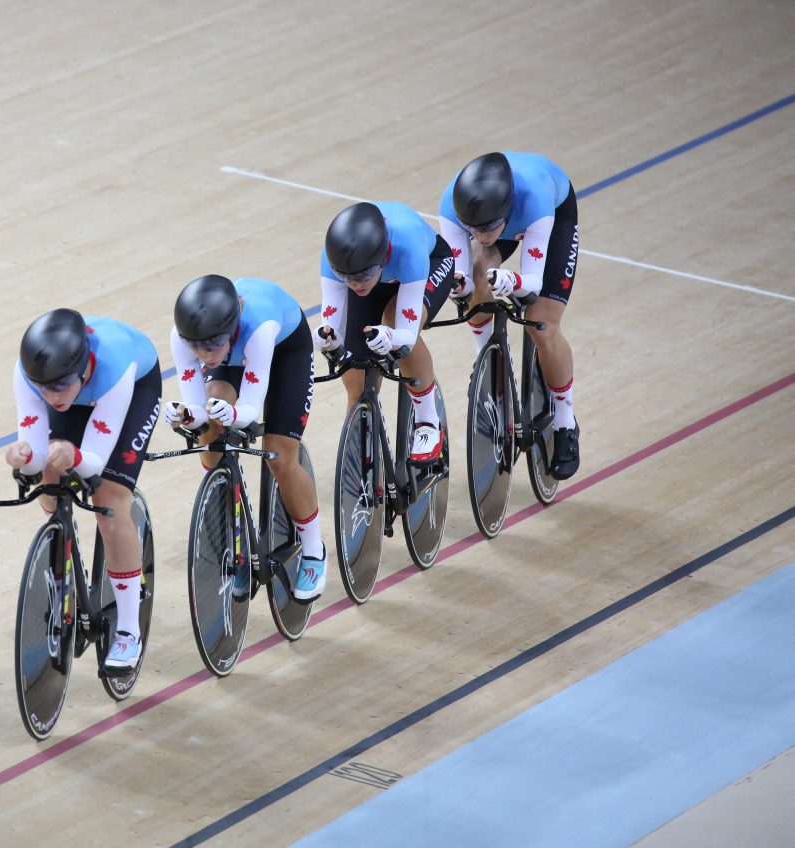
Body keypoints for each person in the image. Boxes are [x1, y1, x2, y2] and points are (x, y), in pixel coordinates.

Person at [6, 308, 162, 672]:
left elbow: (93, 459)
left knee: (108, 499)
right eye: (43, 387)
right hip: (86, 392)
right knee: (48, 472)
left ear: (83, 368)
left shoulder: (112, 365)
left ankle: (127, 628)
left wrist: (74, 454)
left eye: (59, 385)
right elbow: (33, 455)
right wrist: (22, 456)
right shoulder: (33, 378)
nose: (51, 395)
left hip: (132, 389)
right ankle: (64, 538)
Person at [163, 274, 327, 603]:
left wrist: (234, 415)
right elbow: (198, 406)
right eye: (196, 347)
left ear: (231, 328)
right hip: (234, 359)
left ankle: (313, 550)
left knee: (280, 457)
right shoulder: (187, 339)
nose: (204, 354)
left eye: (211, 345)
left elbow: (251, 406)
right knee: (209, 435)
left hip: (284, 355)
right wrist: (187, 415)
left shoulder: (259, 327)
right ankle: (234, 532)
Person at [439, 151, 581, 479]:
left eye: (488, 228)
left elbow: (532, 282)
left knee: (542, 324)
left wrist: (512, 281)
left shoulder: (535, 201)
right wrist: (459, 287)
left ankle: (564, 420)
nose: (482, 235)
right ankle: (486, 363)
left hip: (553, 217)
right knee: (475, 278)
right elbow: (458, 278)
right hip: (508, 218)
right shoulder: (451, 206)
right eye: (473, 229)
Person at [316, 202, 456, 465]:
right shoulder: (337, 260)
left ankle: (427, 421)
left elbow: (406, 332)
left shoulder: (408, 246)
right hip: (378, 277)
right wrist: (328, 339)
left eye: (361, 277)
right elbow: (332, 326)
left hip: (428, 265)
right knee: (355, 376)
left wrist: (392, 337)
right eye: (347, 278)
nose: (355, 285)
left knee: (393, 321)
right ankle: (363, 449)